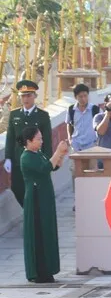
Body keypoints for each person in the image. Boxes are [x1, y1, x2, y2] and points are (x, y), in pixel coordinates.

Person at [17, 126, 69, 283]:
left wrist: (62, 156)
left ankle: (48, 268)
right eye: (38, 139)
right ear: (29, 141)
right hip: (35, 199)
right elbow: (45, 168)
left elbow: (52, 167)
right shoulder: (26, 157)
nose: (41, 141)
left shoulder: (37, 153)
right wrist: (57, 152)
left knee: (47, 231)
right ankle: (39, 271)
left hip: (44, 197)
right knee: (38, 233)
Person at [4, 80, 53, 206]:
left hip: (35, 160)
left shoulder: (42, 116)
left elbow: (47, 140)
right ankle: (28, 210)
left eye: (28, 95)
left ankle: (32, 215)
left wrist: (48, 160)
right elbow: (10, 138)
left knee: (35, 190)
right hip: (18, 160)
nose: (25, 99)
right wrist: (8, 158)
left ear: (34, 96)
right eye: (23, 96)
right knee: (17, 188)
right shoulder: (14, 114)